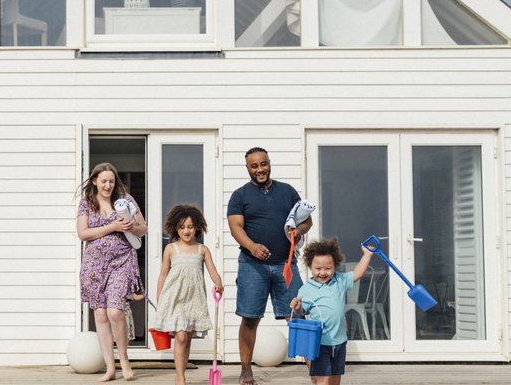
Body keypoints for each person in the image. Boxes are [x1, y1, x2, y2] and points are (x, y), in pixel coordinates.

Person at [227, 146, 313, 385]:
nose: (259, 169)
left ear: (269, 163)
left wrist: (299, 229)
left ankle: (312, 367)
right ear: (248, 168)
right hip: (252, 265)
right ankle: (246, 370)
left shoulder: (287, 192)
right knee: (250, 317)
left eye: (263, 164)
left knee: (297, 315)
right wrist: (252, 246)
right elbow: (236, 227)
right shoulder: (239, 196)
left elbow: (307, 221)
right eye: (254, 166)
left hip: (286, 264)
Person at [76, 162, 148, 382]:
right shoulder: (86, 203)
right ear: (95, 181)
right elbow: (83, 233)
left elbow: (143, 229)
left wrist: (130, 227)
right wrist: (112, 227)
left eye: (111, 181)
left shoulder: (126, 200)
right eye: (103, 181)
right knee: (100, 314)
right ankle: (110, 368)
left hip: (121, 261)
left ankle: (124, 361)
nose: (108, 185)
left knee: (115, 312)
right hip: (94, 265)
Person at [152, 204, 224, 385]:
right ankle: (181, 377)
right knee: (181, 336)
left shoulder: (202, 249)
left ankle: (180, 372)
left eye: (190, 227)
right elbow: (163, 275)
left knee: (188, 337)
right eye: (182, 227)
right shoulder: (171, 249)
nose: (186, 231)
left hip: (194, 298)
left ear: (197, 228)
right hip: (174, 296)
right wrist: (160, 297)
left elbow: (212, 270)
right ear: (176, 228)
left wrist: (219, 283)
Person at [290, 237, 375, 385]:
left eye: (328, 268)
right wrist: (297, 307)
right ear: (310, 266)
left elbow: (357, 273)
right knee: (323, 380)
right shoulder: (306, 290)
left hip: (339, 342)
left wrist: (367, 255)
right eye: (318, 268)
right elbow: (300, 312)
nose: (323, 272)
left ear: (335, 266)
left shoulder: (340, 281)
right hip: (320, 343)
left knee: (335, 378)